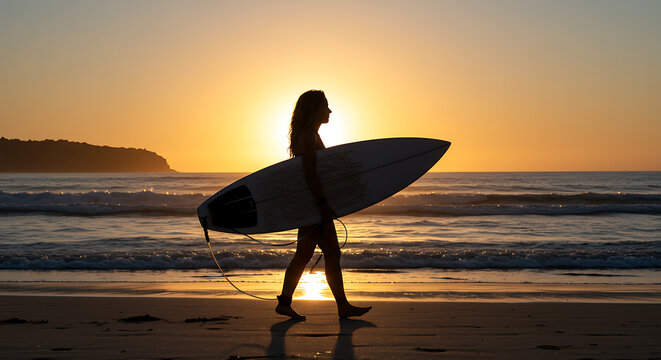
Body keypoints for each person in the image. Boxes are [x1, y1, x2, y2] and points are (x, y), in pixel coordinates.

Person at [275, 90, 372, 319]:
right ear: (313, 109)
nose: (329, 111)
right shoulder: (308, 135)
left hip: (311, 204)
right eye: (325, 106)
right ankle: (342, 306)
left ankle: (286, 302)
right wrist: (322, 204)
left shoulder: (309, 134)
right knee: (331, 254)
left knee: (305, 254)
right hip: (314, 205)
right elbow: (309, 172)